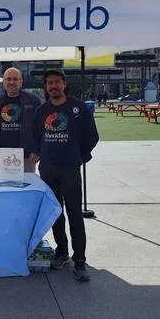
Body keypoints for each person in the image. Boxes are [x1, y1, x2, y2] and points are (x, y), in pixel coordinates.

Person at [31, 69, 99, 282]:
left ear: (64, 84)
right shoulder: (43, 111)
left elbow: (92, 136)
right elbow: (35, 137)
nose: (53, 86)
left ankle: (80, 261)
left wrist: (80, 156)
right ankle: (62, 253)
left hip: (70, 169)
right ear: (46, 87)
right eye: (49, 83)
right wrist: (40, 154)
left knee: (75, 215)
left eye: (56, 82)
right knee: (56, 214)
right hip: (48, 169)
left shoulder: (77, 108)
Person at [0, 67, 42, 173]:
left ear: (21, 81)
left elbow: (41, 129)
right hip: (2, 157)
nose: (12, 82)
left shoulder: (33, 101)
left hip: (27, 158)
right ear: (3, 82)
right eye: (8, 79)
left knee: (27, 187)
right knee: (5, 188)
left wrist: (37, 151)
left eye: (15, 79)